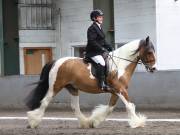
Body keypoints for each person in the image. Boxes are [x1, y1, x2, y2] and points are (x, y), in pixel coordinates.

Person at [85, 9, 113, 91]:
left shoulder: (99, 27)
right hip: (92, 52)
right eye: (99, 17)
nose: (102, 18)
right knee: (102, 62)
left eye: (101, 17)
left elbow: (102, 41)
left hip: (99, 51)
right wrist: (101, 48)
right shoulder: (92, 28)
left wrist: (109, 47)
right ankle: (101, 83)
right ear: (94, 18)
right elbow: (91, 41)